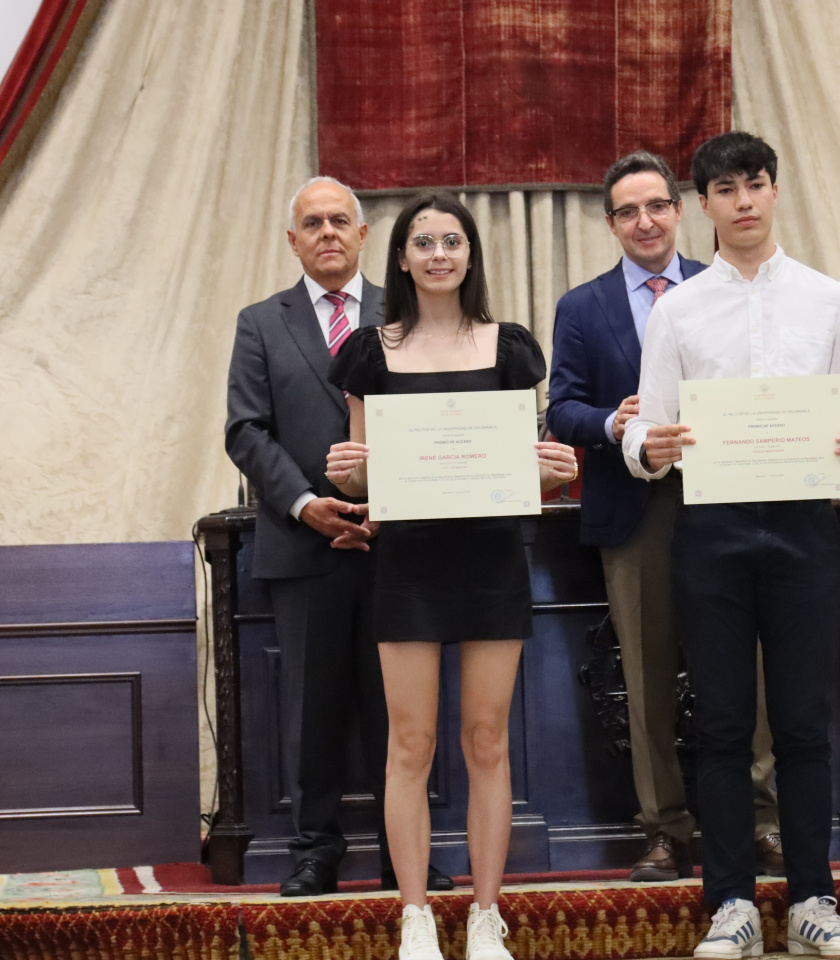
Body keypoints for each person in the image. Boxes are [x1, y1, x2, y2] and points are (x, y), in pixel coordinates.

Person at [624, 131, 840, 960]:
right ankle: (729, 902)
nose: (742, 201)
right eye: (724, 189)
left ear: (775, 192)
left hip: (805, 524)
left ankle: (813, 899)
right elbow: (648, 426)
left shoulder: (827, 298)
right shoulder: (677, 308)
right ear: (703, 205)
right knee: (724, 724)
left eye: (755, 184)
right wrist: (646, 449)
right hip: (712, 529)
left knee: (804, 723)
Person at [323, 193, 577, 960]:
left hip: (491, 557)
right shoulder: (370, 351)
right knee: (411, 742)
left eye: (452, 241)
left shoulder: (511, 348)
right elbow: (364, 483)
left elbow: (520, 468)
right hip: (407, 563)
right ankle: (414, 915)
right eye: (423, 241)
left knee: (487, 739)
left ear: (470, 255)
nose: (438, 253)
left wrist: (557, 473)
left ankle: (485, 913)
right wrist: (347, 472)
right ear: (400, 257)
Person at [546, 149, 785, 884]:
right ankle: (664, 828)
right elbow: (559, 407)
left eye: (657, 206)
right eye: (627, 210)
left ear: (680, 212)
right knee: (646, 672)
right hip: (635, 507)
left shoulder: (729, 289)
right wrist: (612, 424)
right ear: (612, 223)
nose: (644, 221)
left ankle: (763, 821)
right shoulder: (582, 308)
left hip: (733, 495)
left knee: (750, 665)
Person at [224, 175, 452, 897]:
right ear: (293, 240)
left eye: (339, 222)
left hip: (401, 546)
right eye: (312, 223)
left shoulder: (409, 313)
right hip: (305, 547)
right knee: (312, 713)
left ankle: (405, 857)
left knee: (403, 712)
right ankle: (313, 852)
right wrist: (304, 503)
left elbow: (436, 416)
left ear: (362, 235)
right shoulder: (261, 321)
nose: (327, 233)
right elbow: (245, 430)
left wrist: (389, 503)